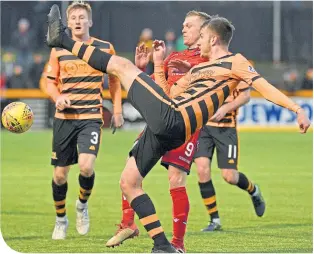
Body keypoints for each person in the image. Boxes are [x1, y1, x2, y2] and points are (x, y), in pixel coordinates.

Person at [46, 6, 311, 252]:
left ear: (213, 40)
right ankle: (162, 245)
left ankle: (62, 39)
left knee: (120, 65)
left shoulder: (235, 62)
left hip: (175, 120)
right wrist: (156, 66)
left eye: (203, 36)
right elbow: (167, 93)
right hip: (169, 122)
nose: (195, 41)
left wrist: (297, 109)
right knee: (128, 182)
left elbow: (263, 87)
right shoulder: (197, 70)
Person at [105, 11, 210, 252]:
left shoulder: (207, 60)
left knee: (175, 178)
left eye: (189, 25)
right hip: (161, 119)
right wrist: (143, 70)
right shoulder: (175, 56)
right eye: (183, 24)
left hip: (184, 123)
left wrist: (159, 64)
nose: (183, 29)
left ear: (204, 31)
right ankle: (128, 224)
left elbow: (179, 92)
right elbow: (157, 86)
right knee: (130, 166)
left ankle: (177, 245)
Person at [45, 2, 123, 240]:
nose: (78, 21)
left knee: (87, 166)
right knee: (60, 175)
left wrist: (117, 110)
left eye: (82, 17)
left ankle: (81, 205)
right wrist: (58, 97)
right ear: (67, 24)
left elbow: (115, 81)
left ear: (90, 22)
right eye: (74, 18)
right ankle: (61, 219)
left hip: (91, 117)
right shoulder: (58, 49)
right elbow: (49, 81)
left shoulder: (104, 48)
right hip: (64, 120)